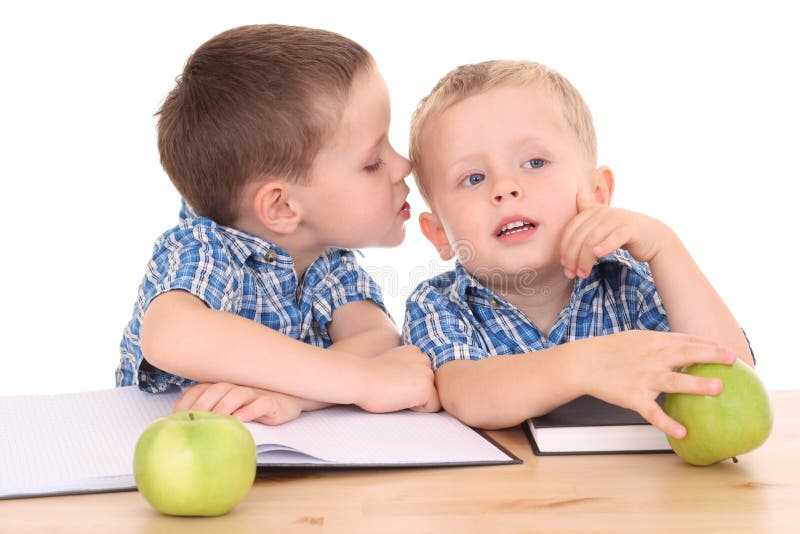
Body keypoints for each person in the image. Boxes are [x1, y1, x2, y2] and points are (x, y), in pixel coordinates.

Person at [403, 60, 752, 437]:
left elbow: (731, 375)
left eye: (534, 162)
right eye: (473, 178)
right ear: (439, 233)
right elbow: (467, 394)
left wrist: (666, 247)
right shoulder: (437, 304)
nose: (504, 187)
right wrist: (584, 366)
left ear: (597, 193)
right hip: (502, 495)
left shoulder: (631, 282)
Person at [116, 24, 439, 424]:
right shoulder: (204, 247)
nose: (404, 165)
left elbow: (378, 340)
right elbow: (171, 335)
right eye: (373, 161)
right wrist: (362, 382)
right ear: (283, 207)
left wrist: (290, 396)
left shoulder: (328, 259)